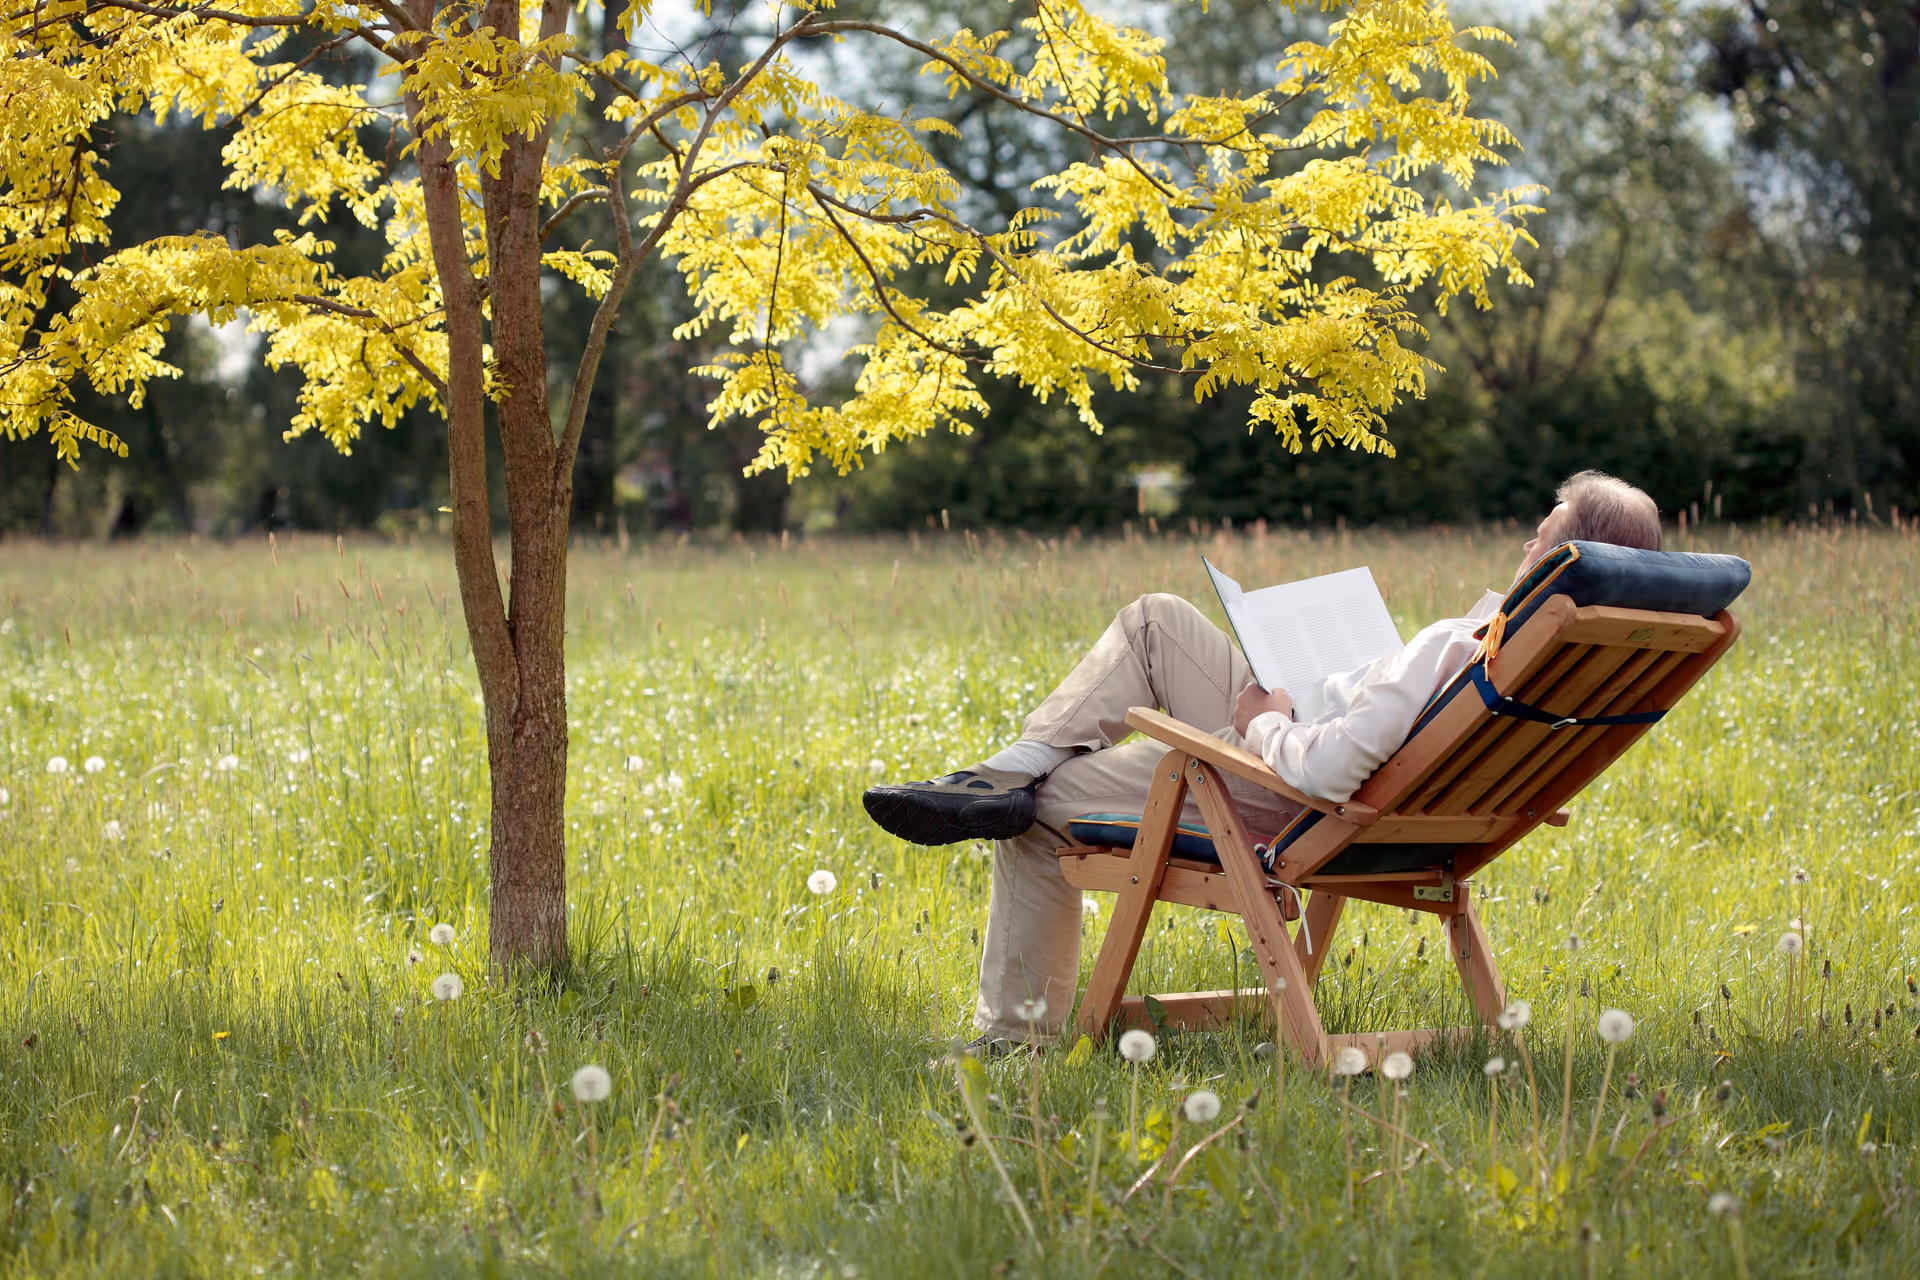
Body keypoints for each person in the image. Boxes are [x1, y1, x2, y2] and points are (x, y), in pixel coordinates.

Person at [863, 470, 1663, 1047]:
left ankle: (1014, 1038)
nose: (1528, 541)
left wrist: (1265, 720)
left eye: (1546, 532)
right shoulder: (1568, 671)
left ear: (1564, 560)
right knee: (1158, 622)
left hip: (1281, 788)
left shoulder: (1463, 646)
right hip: (1392, 810)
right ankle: (1012, 764)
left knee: (1040, 806)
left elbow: (1323, 773)